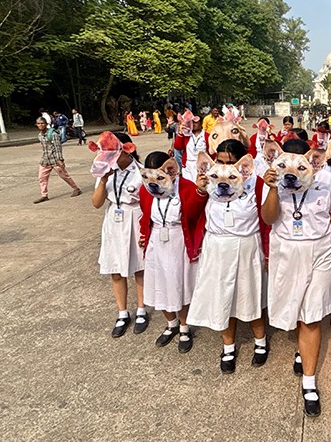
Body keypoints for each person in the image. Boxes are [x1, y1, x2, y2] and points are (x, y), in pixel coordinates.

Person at [261, 138, 331, 417]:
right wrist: (272, 188)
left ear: (315, 164)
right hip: (286, 248)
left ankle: (309, 382)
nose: (291, 172)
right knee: (294, 308)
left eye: (301, 166)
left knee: (311, 315)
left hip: (320, 250)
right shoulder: (273, 181)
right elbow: (269, 218)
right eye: (283, 165)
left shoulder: (329, 181)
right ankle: (302, 348)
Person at [188, 140, 270, 373]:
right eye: (220, 163)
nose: (224, 170)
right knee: (222, 297)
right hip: (217, 247)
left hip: (247, 246)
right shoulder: (209, 184)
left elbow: (267, 220)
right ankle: (228, 346)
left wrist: (268, 251)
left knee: (251, 295)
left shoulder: (256, 184)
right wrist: (200, 190)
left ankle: (260, 342)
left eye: (231, 164)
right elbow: (192, 214)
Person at [138, 152, 205, 353]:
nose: (152, 182)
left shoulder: (185, 187)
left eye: (159, 176)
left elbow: (194, 214)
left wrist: (200, 192)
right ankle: (171, 323)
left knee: (178, 284)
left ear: (172, 172)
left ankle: (184, 327)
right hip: (156, 240)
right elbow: (145, 214)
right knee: (160, 284)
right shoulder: (146, 190)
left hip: (178, 240)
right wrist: (144, 235)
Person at [91, 133, 147, 337]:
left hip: (135, 217)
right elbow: (96, 203)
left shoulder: (140, 172)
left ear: (125, 150)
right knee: (116, 268)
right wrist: (104, 177)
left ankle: (142, 309)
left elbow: (148, 201)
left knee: (139, 267)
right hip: (113, 220)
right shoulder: (106, 171)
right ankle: (122, 312)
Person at [34, 117, 81, 204]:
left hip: (55, 159)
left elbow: (58, 147)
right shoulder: (40, 136)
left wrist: (60, 159)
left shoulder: (53, 134)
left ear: (46, 124)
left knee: (64, 176)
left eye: (42, 123)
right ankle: (44, 195)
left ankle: (76, 189)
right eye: (38, 123)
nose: (40, 125)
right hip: (45, 160)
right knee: (42, 178)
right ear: (36, 125)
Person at [174, 114, 209, 182]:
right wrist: (181, 133)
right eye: (191, 122)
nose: (193, 124)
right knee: (188, 185)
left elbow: (211, 152)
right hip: (188, 165)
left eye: (196, 122)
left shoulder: (206, 136)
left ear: (201, 123)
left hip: (202, 166)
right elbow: (177, 147)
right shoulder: (186, 135)